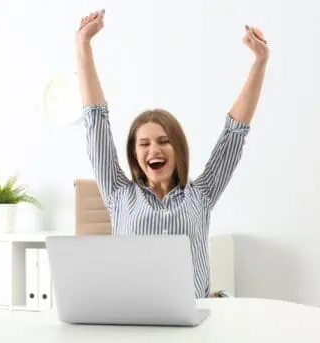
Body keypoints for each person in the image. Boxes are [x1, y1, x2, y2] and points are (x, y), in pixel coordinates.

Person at [75, 9, 269, 298]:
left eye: (164, 141)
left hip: (192, 322)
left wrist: (260, 61)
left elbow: (234, 133)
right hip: (134, 318)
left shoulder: (202, 194)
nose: (154, 149)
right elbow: (96, 123)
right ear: (135, 154)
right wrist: (83, 45)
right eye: (144, 144)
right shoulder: (118, 194)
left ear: (177, 148)